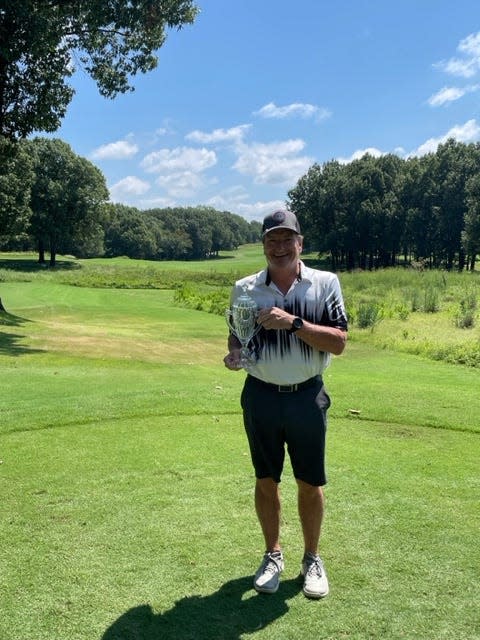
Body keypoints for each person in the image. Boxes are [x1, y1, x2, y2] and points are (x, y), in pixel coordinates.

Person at [224, 209, 347, 599]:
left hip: (307, 396)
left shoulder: (325, 283)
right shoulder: (244, 288)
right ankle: (272, 554)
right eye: (271, 240)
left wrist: (292, 322)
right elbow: (234, 336)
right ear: (263, 245)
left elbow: (339, 342)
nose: (279, 247)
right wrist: (233, 355)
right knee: (265, 479)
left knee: (310, 483)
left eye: (286, 239)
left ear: (299, 243)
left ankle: (312, 558)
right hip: (259, 395)